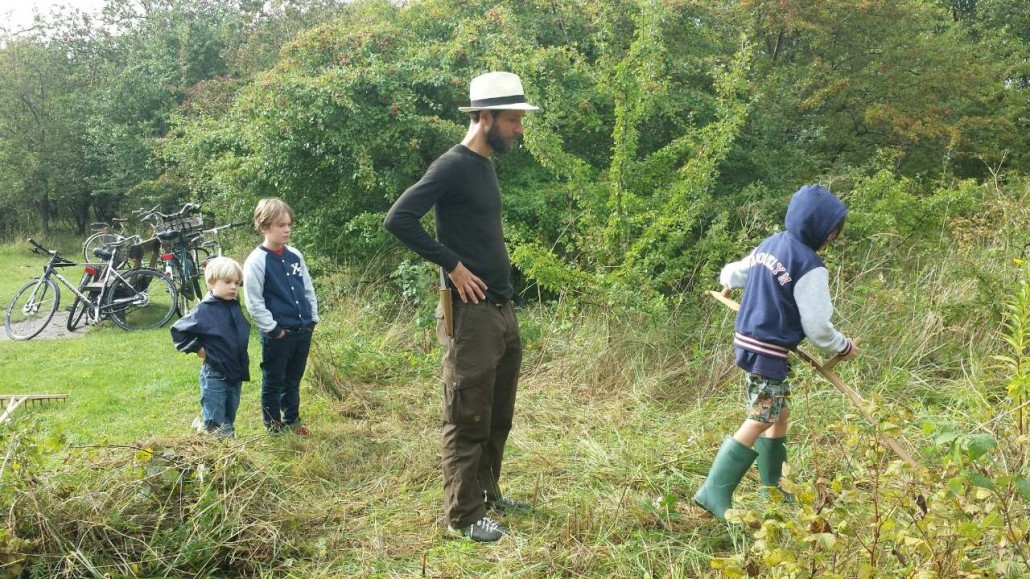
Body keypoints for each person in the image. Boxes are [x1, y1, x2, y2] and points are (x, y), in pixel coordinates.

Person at [384, 71, 538, 542]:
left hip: (500, 309)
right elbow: (399, 219)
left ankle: (487, 493)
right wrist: (451, 264)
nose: (519, 129)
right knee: (467, 414)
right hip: (470, 316)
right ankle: (464, 516)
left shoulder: (485, 164)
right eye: (512, 120)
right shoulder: (452, 164)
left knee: (497, 414)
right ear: (485, 117)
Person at [694, 184, 861, 522]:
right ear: (821, 230)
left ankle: (772, 488)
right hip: (768, 350)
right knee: (763, 415)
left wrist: (728, 280)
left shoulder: (770, 245)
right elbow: (816, 326)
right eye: (832, 233)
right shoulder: (810, 265)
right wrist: (842, 346)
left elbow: (733, 273)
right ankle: (713, 490)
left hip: (748, 342)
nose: (832, 240)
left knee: (778, 413)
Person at [243, 198, 319, 436]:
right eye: (280, 225)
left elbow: (307, 288)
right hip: (279, 334)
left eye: (288, 224)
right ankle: (274, 427)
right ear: (264, 227)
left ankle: (292, 420)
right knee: (274, 381)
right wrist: (274, 329)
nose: (287, 230)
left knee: (294, 380)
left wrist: (312, 318)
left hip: (302, 329)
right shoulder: (257, 261)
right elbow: (254, 301)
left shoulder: (295, 255)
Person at [171, 256, 251, 439]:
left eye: (237, 283)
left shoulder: (232, 305)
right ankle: (214, 455)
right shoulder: (205, 309)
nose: (233, 287)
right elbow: (179, 330)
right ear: (212, 282)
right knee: (215, 423)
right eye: (228, 282)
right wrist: (200, 349)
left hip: (234, 372)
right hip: (215, 374)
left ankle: (222, 442)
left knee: (229, 416)